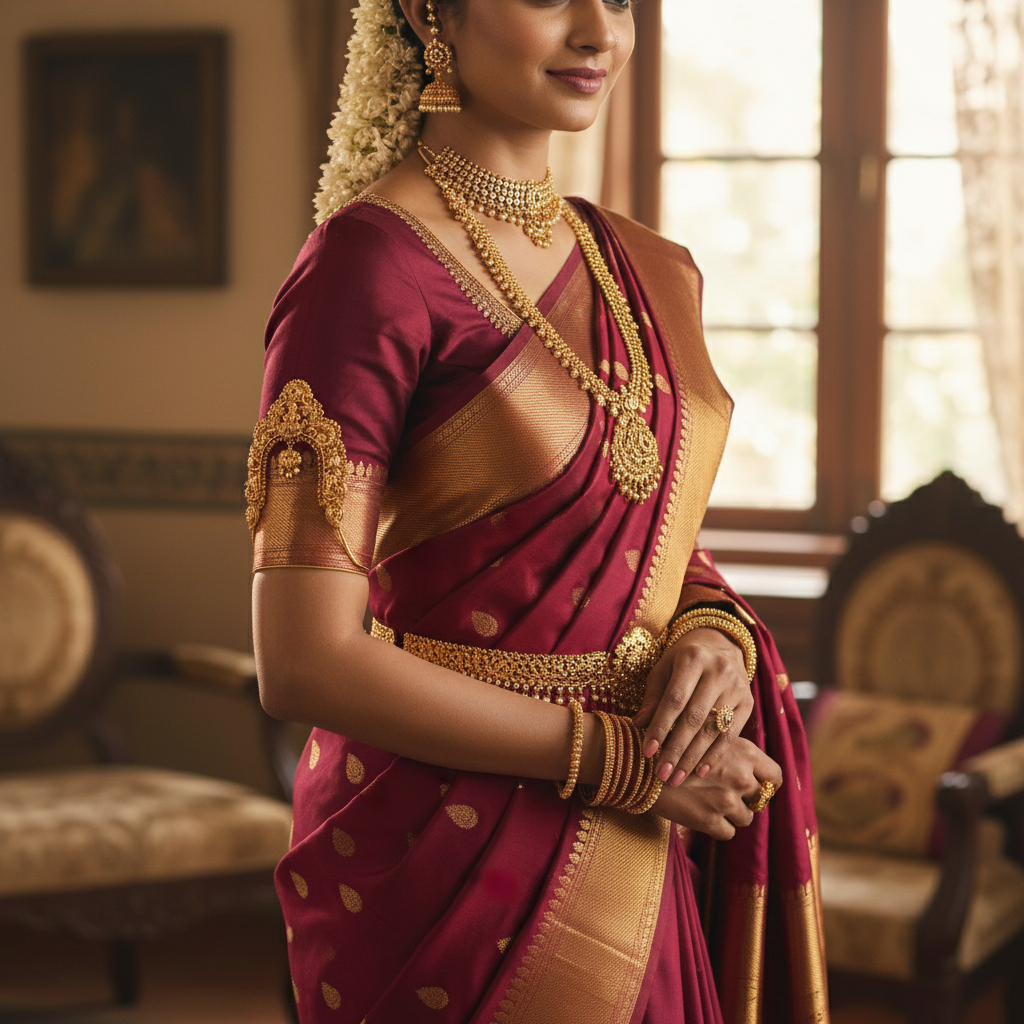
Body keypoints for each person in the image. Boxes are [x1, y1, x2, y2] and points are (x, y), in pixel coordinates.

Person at [247, 0, 828, 1020]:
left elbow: (649, 548)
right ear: (431, 14)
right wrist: (619, 764)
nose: (600, 32)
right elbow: (304, 658)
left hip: (638, 842)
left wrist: (714, 632)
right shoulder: (365, 267)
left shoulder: (653, 270)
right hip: (438, 857)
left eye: (617, 0)